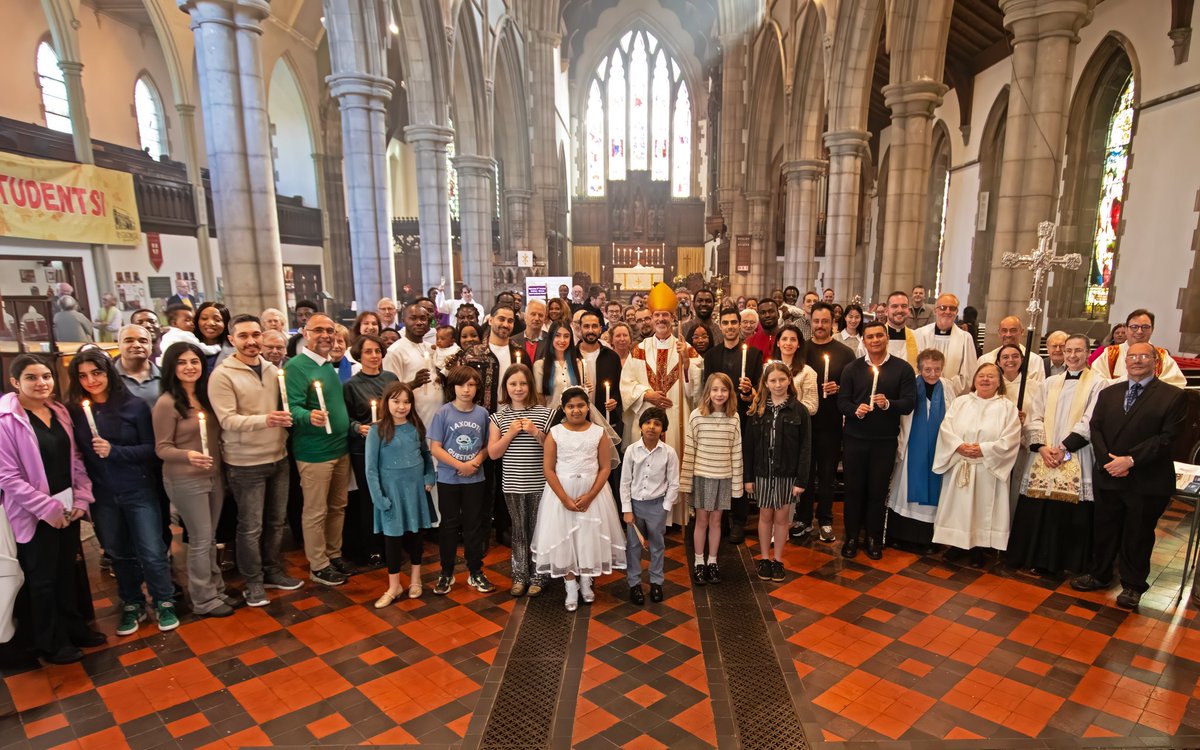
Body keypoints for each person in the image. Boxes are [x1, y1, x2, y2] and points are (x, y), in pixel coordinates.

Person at [0, 355, 103, 663]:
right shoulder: (6, 421)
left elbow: (74, 461)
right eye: (32, 378)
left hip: (68, 507)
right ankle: (51, 642)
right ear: (16, 382)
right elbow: (8, 477)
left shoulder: (58, 412)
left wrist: (81, 498)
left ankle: (74, 628)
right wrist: (49, 509)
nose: (41, 383)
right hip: (33, 513)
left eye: (46, 376)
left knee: (67, 572)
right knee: (43, 579)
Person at [1070, 342, 1188, 609]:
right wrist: (1107, 461)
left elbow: (1168, 438)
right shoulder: (1110, 393)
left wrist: (1130, 460)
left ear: (1155, 362)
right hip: (1109, 473)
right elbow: (1095, 428)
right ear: (1126, 361)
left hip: (1146, 478)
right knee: (1105, 529)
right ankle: (1099, 574)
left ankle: (1133, 585)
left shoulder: (1172, 396)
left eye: (1144, 356)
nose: (1137, 361)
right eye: (1132, 356)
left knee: (1138, 535)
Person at [68, 350, 175, 635]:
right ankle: (132, 603)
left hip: (137, 488)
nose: (91, 380)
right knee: (118, 552)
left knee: (151, 550)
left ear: (108, 373)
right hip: (103, 494)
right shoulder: (75, 411)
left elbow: (151, 450)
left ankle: (164, 600)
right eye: (83, 375)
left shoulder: (135, 406)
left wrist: (115, 451)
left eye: (97, 372)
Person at [208, 315, 302, 607]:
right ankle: (253, 581)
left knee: (275, 522)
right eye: (244, 336)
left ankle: (273, 570)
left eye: (256, 335)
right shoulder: (223, 375)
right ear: (232, 340)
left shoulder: (274, 370)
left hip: (278, 456)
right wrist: (267, 419)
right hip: (245, 462)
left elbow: (284, 406)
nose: (251, 341)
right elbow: (227, 419)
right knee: (250, 527)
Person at [1007, 334, 1105, 577]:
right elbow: (1034, 416)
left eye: (1078, 350)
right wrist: (1041, 447)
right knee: (1039, 506)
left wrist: (1063, 448)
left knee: (1068, 511)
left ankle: (1065, 562)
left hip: (1076, 453)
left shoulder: (1098, 383)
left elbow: (1091, 420)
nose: (1072, 355)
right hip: (1044, 455)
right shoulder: (1050, 383)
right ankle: (1033, 558)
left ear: (1087, 352)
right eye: (1068, 350)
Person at [530, 387, 626, 610]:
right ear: (563, 408)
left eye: (580, 405)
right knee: (565, 538)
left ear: (588, 406)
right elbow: (548, 469)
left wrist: (591, 495)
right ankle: (570, 585)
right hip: (561, 492)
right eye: (571, 406)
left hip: (593, 492)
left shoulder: (598, 432)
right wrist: (564, 498)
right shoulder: (555, 433)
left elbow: (604, 468)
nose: (576, 410)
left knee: (588, 536)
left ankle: (586, 581)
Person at [153, 342, 231, 617]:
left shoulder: (206, 396)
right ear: (172, 368)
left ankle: (216, 589)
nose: (189, 367)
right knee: (199, 538)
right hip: (185, 478)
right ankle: (203, 599)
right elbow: (162, 447)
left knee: (210, 537)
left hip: (213, 474)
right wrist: (187, 455)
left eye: (194, 362)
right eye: (182, 362)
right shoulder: (167, 402)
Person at [620, 290, 703, 528]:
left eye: (665, 315)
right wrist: (649, 395)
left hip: (678, 417)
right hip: (647, 415)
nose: (661, 320)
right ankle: (646, 512)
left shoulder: (686, 349)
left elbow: (695, 390)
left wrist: (686, 363)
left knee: (674, 460)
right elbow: (626, 385)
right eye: (657, 316)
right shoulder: (639, 350)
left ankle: (675, 515)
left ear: (672, 319)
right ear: (651, 318)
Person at [284, 314, 354, 586]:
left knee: (338, 505)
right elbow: (292, 406)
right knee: (316, 510)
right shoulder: (297, 367)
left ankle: (333, 553)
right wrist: (307, 416)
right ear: (305, 332)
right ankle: (318, 563)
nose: (326, 335)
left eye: (330, 330)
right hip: (314, 451)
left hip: (339, 447)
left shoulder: (326, 365)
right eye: (319, 330)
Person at [838, 320, 917, 559]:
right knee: (853, 490)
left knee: (877, 490)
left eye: (879, 336)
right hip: (855, 439)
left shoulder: (902, 369)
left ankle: (873, 537)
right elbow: (842, 402)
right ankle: (851, 536)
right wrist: (855, 410)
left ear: (887, 338)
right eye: (870, 337)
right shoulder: (852, 369)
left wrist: (888, 403)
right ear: (863, 340)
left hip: (884, 441)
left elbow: (909, 403)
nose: (875, 340)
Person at [931, 363, 1023, 567]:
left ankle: (978, 548)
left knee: (982, 509)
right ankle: (955, 545)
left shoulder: (1007, 407)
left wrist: (985, 449)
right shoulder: (961, 402)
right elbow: (946, 429)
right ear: (974, 380)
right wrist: (959, 446)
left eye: (991, 376)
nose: (985, 380)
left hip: (987, 467)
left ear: (999, 382)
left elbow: (1011, 438)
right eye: (981, 375)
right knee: (958, 508)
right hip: (961, 462)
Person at [366, 382, 435, 608]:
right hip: (391, 494)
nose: (401, 406)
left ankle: (416, 579)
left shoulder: (415, 426)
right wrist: (378, 498)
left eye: (406, 402)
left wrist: (429, 477)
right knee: (393, 540)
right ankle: (394, 585)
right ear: (387, 402)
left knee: (416, 537)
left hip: (415, 491)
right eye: (396, 401)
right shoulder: (377, 430)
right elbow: (371, 469)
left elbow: (425, 456)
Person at [428, 366, 495, 595]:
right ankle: (446, 572)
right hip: (449, 478)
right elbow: (435, 447)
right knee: (448, 525)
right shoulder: (443, 413)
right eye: (461, 385)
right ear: (452, 387)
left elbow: (488, 446)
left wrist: (475, 463)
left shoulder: (482, 414)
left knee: (473, 526)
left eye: (471, 385)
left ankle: (475, 571)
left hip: (475, 479)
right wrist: (460, 466)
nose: (466, 390)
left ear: (477, 388)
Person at [487, 365, 552, 597]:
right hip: (513, 485)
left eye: (523, 383)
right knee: (519, 532)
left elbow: (553, 450)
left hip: (540, 485)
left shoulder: (544, 413)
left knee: (538, 530)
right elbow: (494, 453)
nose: (518, 388)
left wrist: (536, 432)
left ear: (530, 386)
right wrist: (511, 433)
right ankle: (519, 576)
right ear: (505, 387)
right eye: (513, 383)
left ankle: (539, 575)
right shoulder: (498, 417)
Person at [744, 363, 811, 582]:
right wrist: (748, 478)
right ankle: (764, 558)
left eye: (782, 379)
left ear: (789, 380)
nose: (778, 384)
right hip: (763, 471)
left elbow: (805, 447)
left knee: (782, 518)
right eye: (773, 380)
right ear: (765, 383)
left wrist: (801, 479)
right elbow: (750, 446)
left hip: (786, 473)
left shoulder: (798, 410)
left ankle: (778, 559)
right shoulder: (757, 409)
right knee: (765, 516)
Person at [702, 308, 764, 543]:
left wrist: (750, 392)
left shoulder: (755, 355)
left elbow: (761, 392)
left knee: (740, 468)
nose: (729, 326)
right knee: (719, 467)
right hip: (717, 420)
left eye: (733, 322)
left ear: (740, 325)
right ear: (721, 325)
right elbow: (708, 390)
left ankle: (738, 520)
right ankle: (720, 516)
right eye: (725, 323)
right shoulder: (711, 355)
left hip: (744, 418)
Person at [885, 349, 955, 553]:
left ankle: (926, 540)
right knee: (904, 491)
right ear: (919, 368)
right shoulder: (911, 385)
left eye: (937, 369)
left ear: (942, 368)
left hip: (937, 449)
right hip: (911, 448)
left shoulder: (948, 387)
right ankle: (899, 536)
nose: (932, 374)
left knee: (933, 493)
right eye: (927, 369)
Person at [799, 303, 856, 543]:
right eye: (816, 321)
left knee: (827, 475)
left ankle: (825, 519)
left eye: (825, 321)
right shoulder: (802, 349)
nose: (820, 326)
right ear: (810, 322)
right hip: (804, 424)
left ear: (833, 322)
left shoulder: (845, 353)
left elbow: (855, 388)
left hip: (831, 424)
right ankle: (802, 518)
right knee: (804, 474)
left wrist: (841, 388)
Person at [681, 373, 743, 585]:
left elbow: (736, 451)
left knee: (717, 521)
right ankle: (699, 562)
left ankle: (712, 561)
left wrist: (737, 485)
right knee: (702, 521)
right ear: (708, 392)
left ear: (730, 393)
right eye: (715, 389)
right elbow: (690, 450)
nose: (719, 394)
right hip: (701, 476)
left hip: (723, 476)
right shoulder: (697, 415)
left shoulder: (733, 416)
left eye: (724, 390)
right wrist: (686, 481)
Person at [342, 334, 398, 569]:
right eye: (368, 352)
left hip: (390, 446)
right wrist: (357, 427)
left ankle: (392, 543)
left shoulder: (391, 379)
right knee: (370, 499)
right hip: (364, 450)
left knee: (391, 496)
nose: (374, 356)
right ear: (359, 355)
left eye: (377, 351)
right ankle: (372, 547)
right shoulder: (351, 385)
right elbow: (345, 418)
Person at [620, 408, 677, 606]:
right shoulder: (631, 450)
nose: (652, 427)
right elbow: (625, 482)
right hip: (635, 505)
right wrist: (627, 509)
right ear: (641, 426)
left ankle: (656, 582)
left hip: (657, 506)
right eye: (648, 423)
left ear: (663, 429)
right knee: (634, 546)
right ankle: (634, 583)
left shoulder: (669, 452)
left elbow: (674, 483)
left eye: (657, 424)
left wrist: (665, 507)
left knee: (657, 545)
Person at [1090, 309, 1187, 387]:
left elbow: (1176, 385)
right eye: (1134, 327)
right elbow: (1095, 383)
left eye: (1145, 327)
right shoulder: (1110, 354)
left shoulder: (1162, 356)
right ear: (1127, 330)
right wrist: (1128, 380)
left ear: (1152, 330)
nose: (1139, 331)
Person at [915, 294, 978, 395]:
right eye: (943, 308)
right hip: (922, 393)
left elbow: (969, 374)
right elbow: (915, 367)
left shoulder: (965, 338)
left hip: (952, 397)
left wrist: (945, 389)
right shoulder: (920, 334)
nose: (947, 312)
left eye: (952, 308)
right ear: (935, 310)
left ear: (956, 312)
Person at [577, 311, 625, 443]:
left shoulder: (611, 356)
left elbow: (619, 387)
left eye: (594, 326)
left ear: (600, 328)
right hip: (578, 421)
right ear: (580, 328)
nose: (590, 330)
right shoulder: (571, 355)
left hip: (607, 419)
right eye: (586, 326)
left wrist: (615, 400)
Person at [979, 316, 1044, 393]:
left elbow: (1039, 391)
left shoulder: (1035, 360)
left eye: (1013, 330)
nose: (1008, 334)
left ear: (1022, 332)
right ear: (999, 333)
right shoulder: (985, 359)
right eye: (1004, 330)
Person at [773, 324, 818, 417]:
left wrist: (786, 408)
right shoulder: (768, 368)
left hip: (795, 424)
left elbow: (812, 407)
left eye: (793, 339)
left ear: (798, 344)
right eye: (784, 339)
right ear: (778, 343)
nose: (788, 343)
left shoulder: (807, 372)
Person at [113, 324, 162, 406]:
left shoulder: (166, 374)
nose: (137, 345)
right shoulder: (107, 376)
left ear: (150, 347)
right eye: (129, 341)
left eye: (143, 341)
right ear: (119, 346)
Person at [879, 291, 919, 371]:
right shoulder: (874, 338)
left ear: (908, 311)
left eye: (904, 306)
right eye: (894, 306)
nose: (900, 310)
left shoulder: (917, 337)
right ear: (886, 311)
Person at [195, 302, 234, 368]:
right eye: (204, 318)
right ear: (197, 321)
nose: (210, 323)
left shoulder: (235, 351)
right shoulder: (186, 345)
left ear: (226, 323)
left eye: (217, 320)